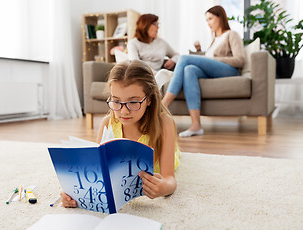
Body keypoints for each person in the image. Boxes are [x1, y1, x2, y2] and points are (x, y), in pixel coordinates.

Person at [61, 60, 180, 207]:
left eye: (133, 102)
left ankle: (158, 81)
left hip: (164, 153)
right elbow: (98, 172)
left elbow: (169, 179)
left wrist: (163, 188)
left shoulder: (164, 123)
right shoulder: (107, 123)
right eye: (116, 101)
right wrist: (73, 194)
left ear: (148, 99)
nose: (124, 111)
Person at [162, 5, 246, 137]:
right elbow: (208, 60)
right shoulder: (214, 40)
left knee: (183, 58)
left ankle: (164, 104)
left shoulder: (231, 34)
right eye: (206, 20)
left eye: (211, 19)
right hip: (214, 70)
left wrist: (216, 59)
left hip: (229, 70)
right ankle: (196, 125)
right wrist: (200, 51)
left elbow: (240, 59)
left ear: (221, 18)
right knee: (189, 70)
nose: (208, 23)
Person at [127, 14, 179, 88]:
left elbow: (177, 55)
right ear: (145, 25)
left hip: (158, 76)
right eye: (155, 24)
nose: (158, 27)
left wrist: (173, 60)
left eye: (158, 24)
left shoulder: (162, 43)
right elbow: (135, 64)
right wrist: (157, 74)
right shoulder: (133, 43)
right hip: (141, 75)